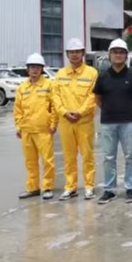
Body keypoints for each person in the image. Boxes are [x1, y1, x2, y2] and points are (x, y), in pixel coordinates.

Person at [93, 38, 132, 204]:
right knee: (108, 157)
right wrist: (108, 109)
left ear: (126, 56)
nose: (118, 55)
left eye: (121, 52)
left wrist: (130, 109)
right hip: (108, 122)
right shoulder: (103, 77)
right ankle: (110, 190)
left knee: (130, 156)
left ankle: (130, 188)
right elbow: (97, 98)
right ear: (110, 55)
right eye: (115, 52)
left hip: (128, 122)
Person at [52, 38, 98, 200]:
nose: (75, 55)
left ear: (83, 53)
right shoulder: (60, 74)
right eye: (71, 52)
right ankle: (70, 187)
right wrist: (64, 112)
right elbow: (55, 96)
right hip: (66, 122)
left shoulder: (92, 73)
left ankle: (89, 186)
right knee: (69, 156)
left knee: (87, 155)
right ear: (67, 54)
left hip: (84, 122)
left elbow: (93, 96)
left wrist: (80, 112)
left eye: (77, 52)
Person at [14, 53, 58, 200]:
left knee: (47, 161)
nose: (34, 70)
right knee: (30, 162)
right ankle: (32, 188)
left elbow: (54, 107)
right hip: (27, 130)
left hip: (43, 130)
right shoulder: (22, 88)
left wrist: (53, 124)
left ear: (42, 69)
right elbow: (18, 109)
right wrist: (19, 126)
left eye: (37, 67)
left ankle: (47, 187)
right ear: (27, 69)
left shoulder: (48, 85)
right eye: (32, 67)